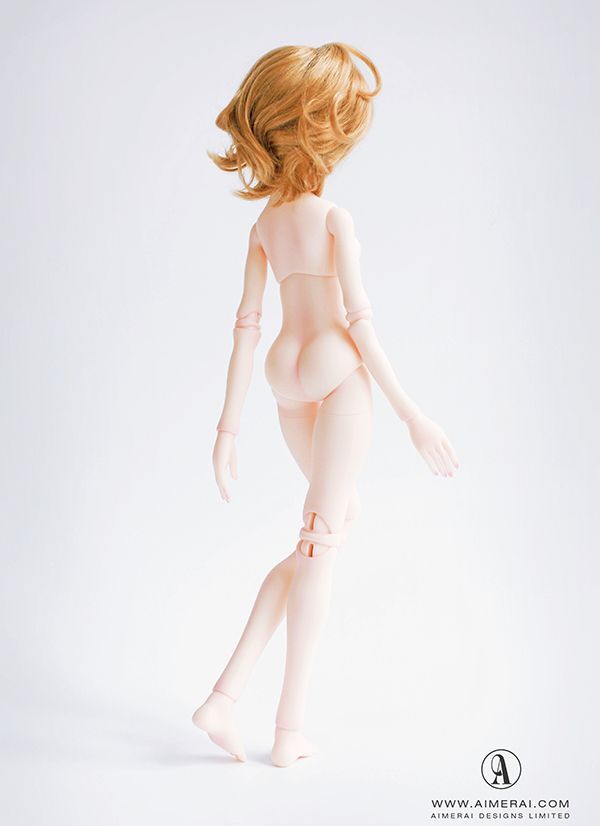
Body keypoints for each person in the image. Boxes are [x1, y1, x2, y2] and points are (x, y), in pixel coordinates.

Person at [192, 42, 459, 768]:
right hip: (336, 376)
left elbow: (247, 328)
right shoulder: (334, 217)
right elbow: (361, 324)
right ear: (322, 128)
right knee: (322, 547)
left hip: (284, 376)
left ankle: (224, 698)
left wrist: (227, 429)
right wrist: (411, 414)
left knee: (324, 530)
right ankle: (286, 731)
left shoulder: (263, 226)